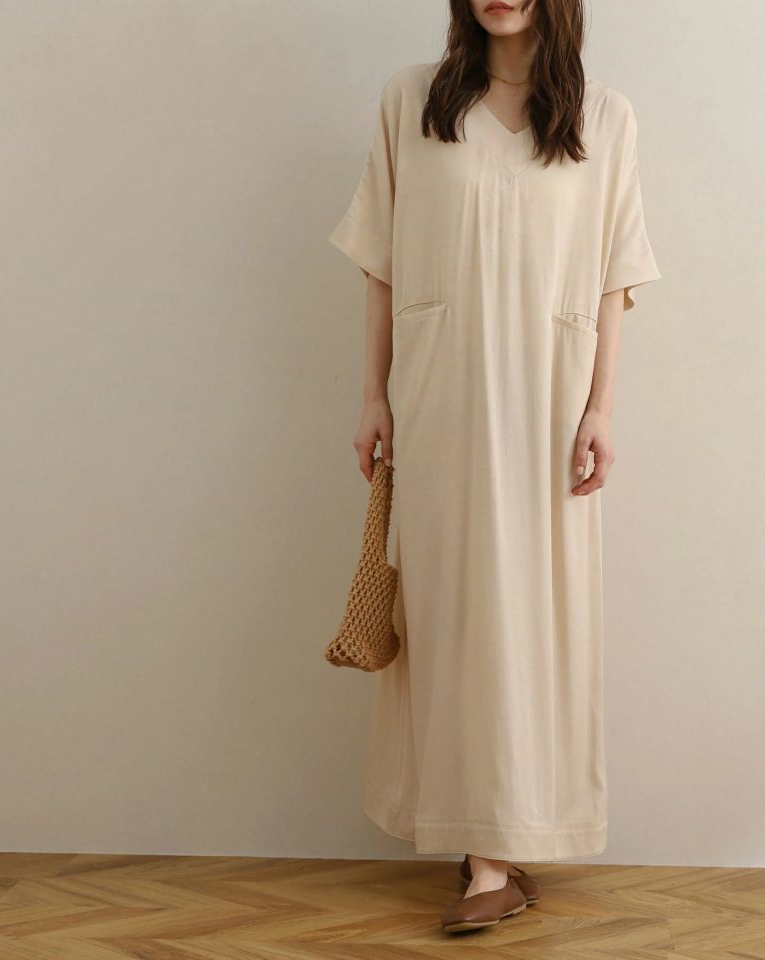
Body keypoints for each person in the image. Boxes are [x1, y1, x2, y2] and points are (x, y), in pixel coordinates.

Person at [328, 0, 661, 935]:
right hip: (439, 400)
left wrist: (599, 410)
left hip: (548, 406)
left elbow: (613, 279)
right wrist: (373, 396)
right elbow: (381, 263)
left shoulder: (604, 116)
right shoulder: (412, 102)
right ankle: (484, 852)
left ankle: (502, 849)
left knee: (534, 618)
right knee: (452, 616)